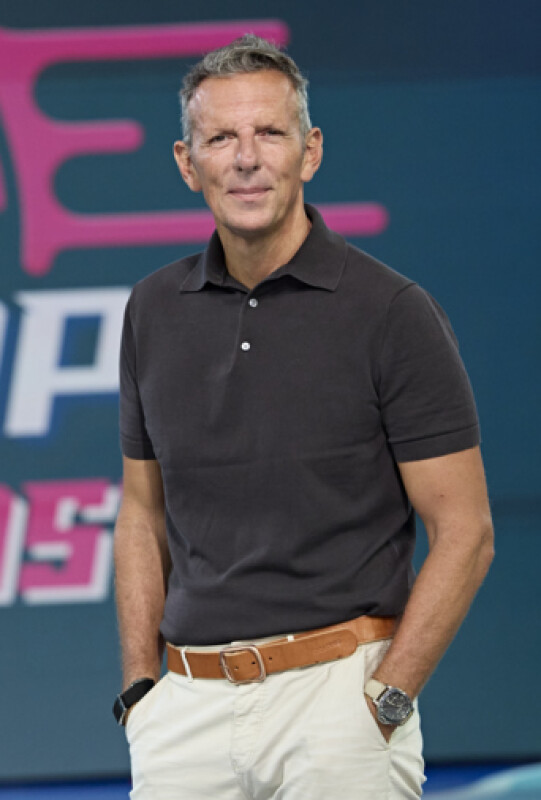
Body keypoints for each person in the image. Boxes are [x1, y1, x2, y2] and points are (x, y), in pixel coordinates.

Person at [113, 35, 494, 800]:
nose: (246, 159)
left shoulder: (390, 311)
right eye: (220, 138)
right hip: (185, 712)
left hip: (338, 705)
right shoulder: (152, 309)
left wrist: (386, 699)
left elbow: (466, 530)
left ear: (309, 151)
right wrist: (141, 693)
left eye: (269, 132)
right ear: (187, 163)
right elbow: (141, 515)